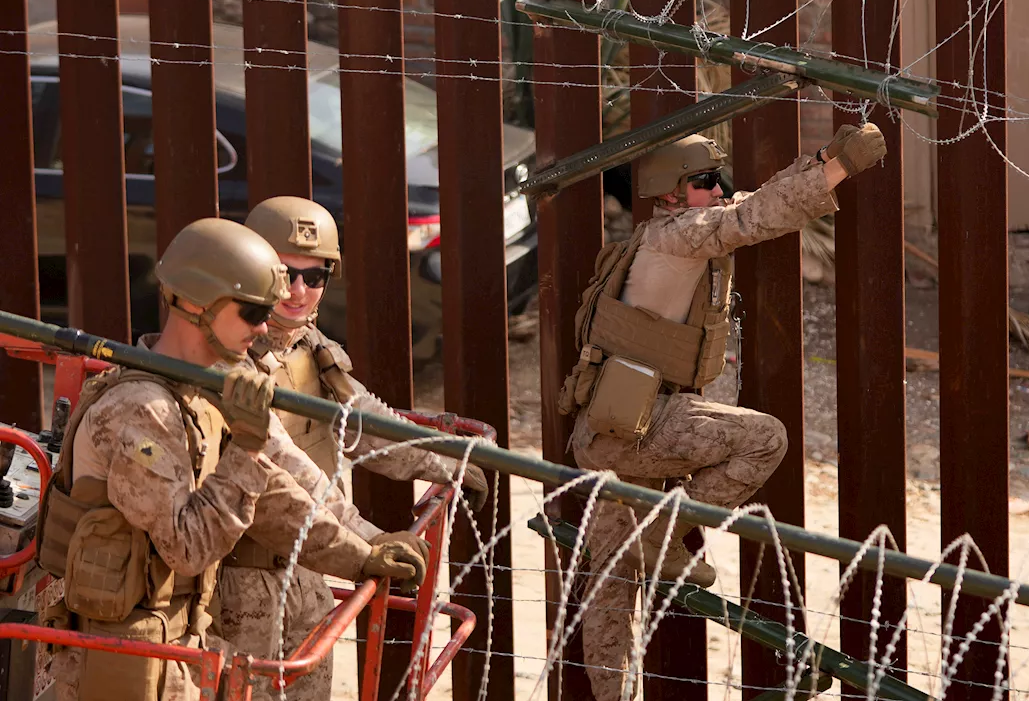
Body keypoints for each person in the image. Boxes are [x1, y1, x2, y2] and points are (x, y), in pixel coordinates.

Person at [559, 124, 887, 701]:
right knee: (764, 440)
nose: (716, 190)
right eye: (703, 182)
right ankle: (663, 536)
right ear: (669, 193)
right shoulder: (678, 236)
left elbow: (748, 202)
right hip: (639, 427)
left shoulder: (666, 231)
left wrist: (820, 157)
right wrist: (841, 171)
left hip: (614, 429)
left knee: (610, 588)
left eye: (715, 180)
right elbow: (752, 217)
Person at [40, 218, 428, 701]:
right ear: (198, 304)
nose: (265, 327)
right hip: (123, 660)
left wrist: (363, 554)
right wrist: (246, 447)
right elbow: (187, 547)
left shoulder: (200, 392)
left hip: (177, 646)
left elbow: (272, 495)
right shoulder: (140, 409)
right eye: (250, 312)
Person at [216, 195, 488, 700]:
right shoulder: (230, 357)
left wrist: (443, 457)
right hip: (241, 582)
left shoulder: (307, 346)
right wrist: (367, 542)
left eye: (314, 277)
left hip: (309, 564)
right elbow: (285, 468)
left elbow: (362, 421)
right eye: (284, 275)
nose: (298, 291)